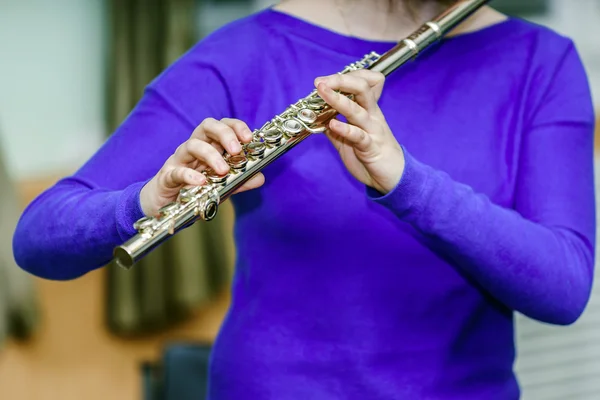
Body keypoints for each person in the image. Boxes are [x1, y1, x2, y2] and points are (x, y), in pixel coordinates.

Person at [12, 0, 596, 398]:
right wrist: (144, 199)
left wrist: (404, 180)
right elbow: (39, 239)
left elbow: (563, 286)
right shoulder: (248, 51)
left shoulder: (541, 62)